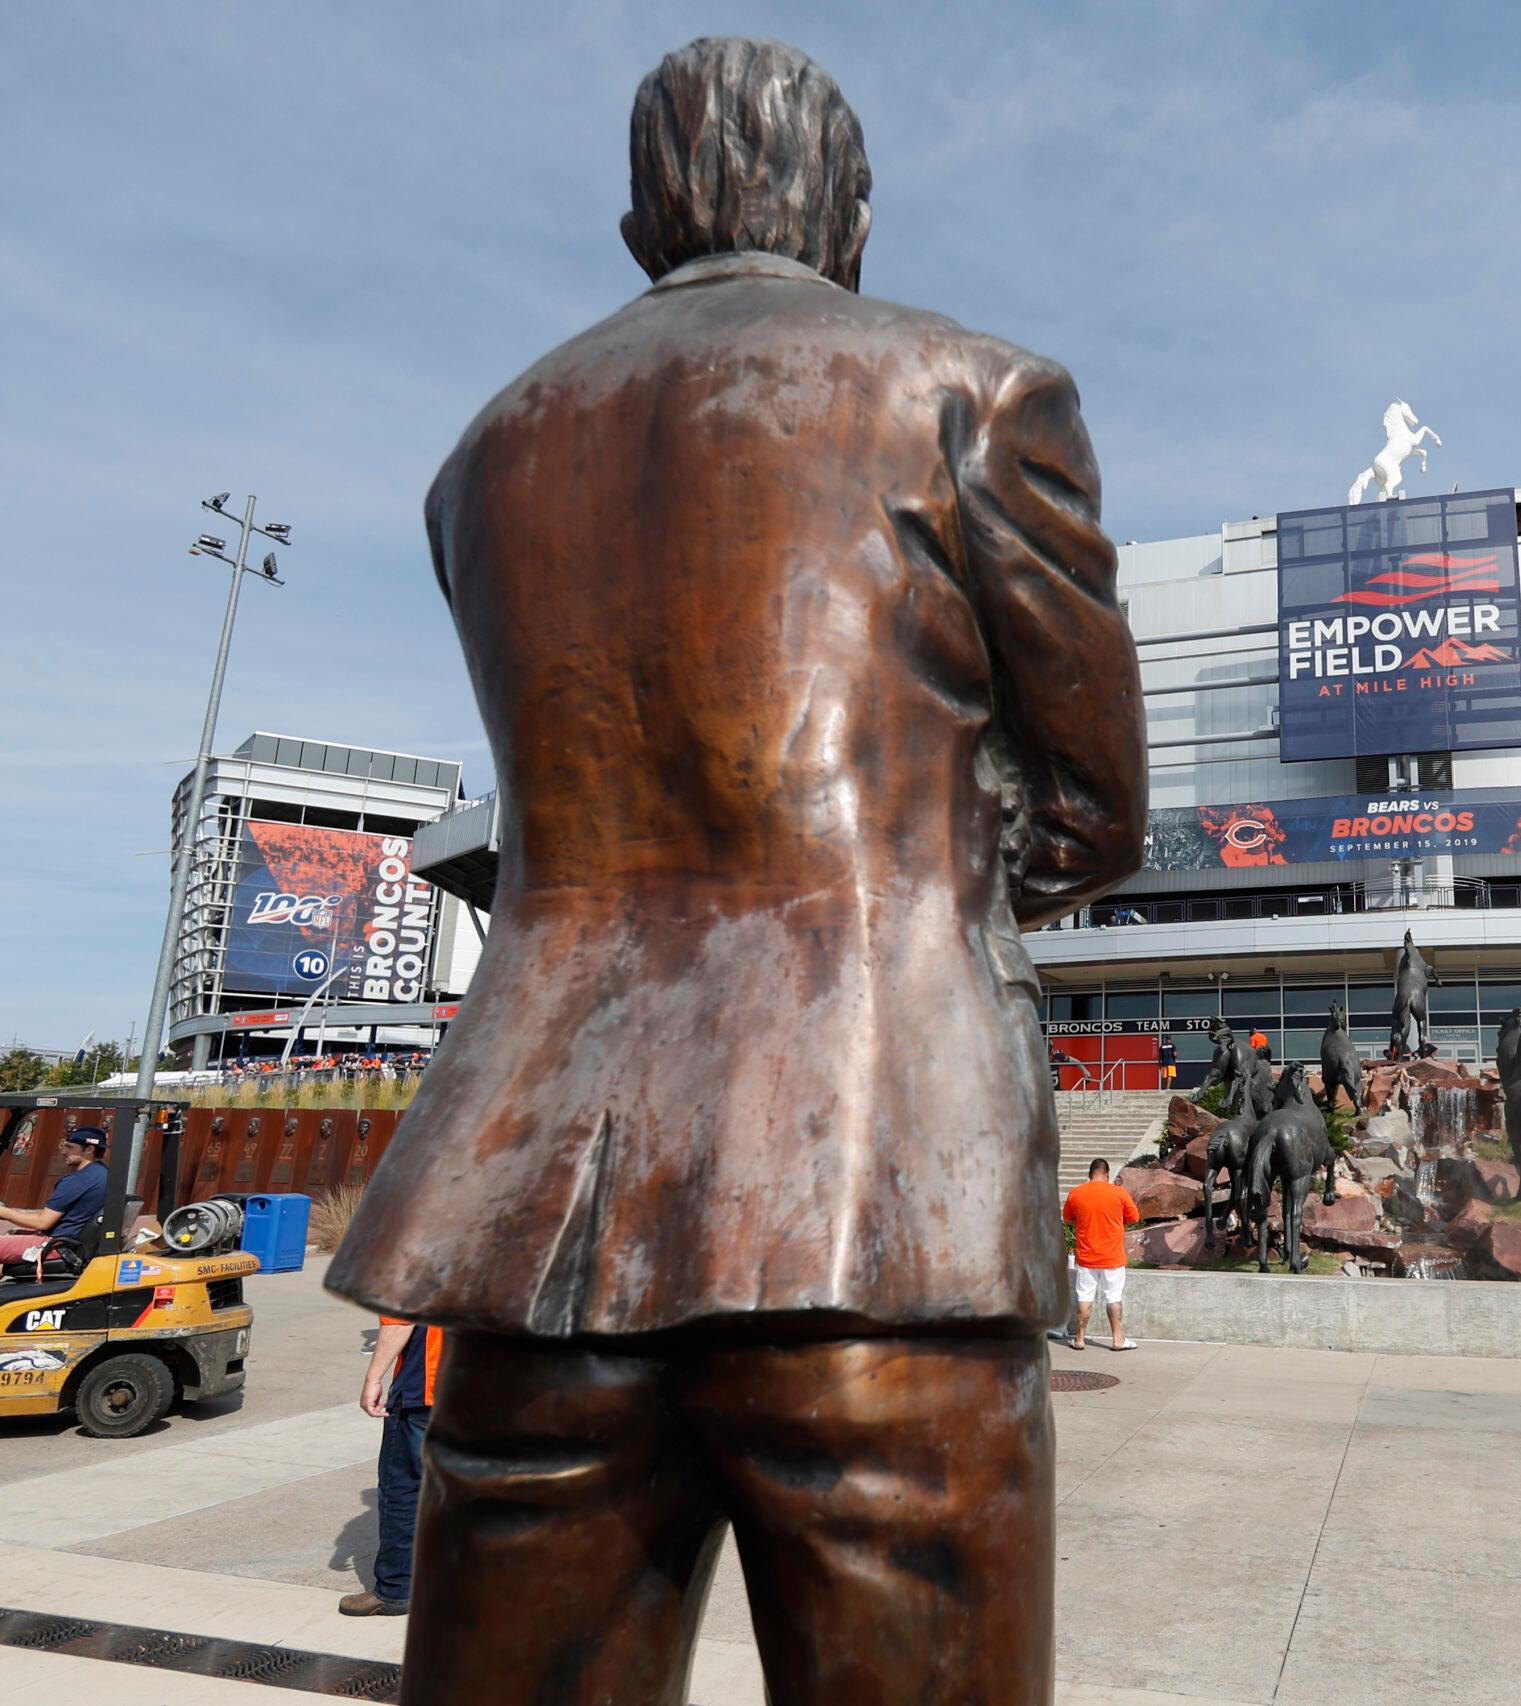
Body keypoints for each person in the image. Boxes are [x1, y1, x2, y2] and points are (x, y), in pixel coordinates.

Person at [325, 37, 1144, 1703]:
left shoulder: (491, 454)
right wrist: (934, 898)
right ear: (845, 209)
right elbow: (1092, 806)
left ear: (644, 214)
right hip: (873, 1198)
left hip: (528, 1221)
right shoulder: (974, 392)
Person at [341, 1315, 440, 1617]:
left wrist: (373, 1378)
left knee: (403, 1488)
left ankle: (395, 1589)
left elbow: (400, 1319)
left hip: (429, 1389)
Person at [0, 1126, 108, 1310]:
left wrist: (2, 1213)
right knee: (10, 1236)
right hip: (72, 1242)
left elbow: (43, 1221)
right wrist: (10, 1211)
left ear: (89, 1149)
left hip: (59, 1246)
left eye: (69, 1147)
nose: (63, 1151)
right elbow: (53, 1213)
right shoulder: (102, 1175)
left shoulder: (79, 1180)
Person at [1060, 1159, 1139, 1352]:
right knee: (1113, 1297)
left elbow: (1068, 1219)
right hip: (1112, 1257)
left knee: (1084, 1297)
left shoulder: (1077, 1193)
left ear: (1090, 1174)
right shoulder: (1119, 1193)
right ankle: (1117, 1339)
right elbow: (1134, 1218)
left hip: (1087, 1258)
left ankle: (1079, 1339)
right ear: (1107, 1174)